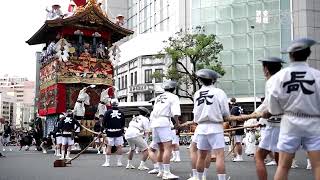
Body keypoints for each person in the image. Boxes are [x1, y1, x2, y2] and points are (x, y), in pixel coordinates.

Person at [265, 38, 320, 180]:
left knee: (283, 166)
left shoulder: (278, 77)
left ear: (290, 56)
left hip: (290, 122)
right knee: (318, 165)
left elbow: (274, 108)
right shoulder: (317, 76)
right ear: (309, 53)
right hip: (314, 122)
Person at [193, 69, 230, 180]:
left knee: (201, 156)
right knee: (219, 155)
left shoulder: (197, 93)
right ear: (214, 80)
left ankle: (199, 178)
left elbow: (195, 112)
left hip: (201, 127)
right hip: (215, 126)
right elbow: (225, 111)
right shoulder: (219, 92)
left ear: (201, 80)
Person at [254, 57, 285, 180]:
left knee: (259, 156)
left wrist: (263, 115)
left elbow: (270, 106)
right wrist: (256, 117)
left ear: (266, 69)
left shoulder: (271, 81)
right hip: (286, 124)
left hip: (275, 125)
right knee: (279, 158)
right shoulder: (284, 81)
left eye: (263, 68)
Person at [150, 80, 181, 179]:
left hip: (155, 123)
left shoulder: (158, 97)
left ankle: (161, 171)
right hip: (163, 122)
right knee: (168, 148)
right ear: (173, 89)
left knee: (161, 149)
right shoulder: (174, 97)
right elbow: (175, 112)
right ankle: (167, 173)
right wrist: (177, 123)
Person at [102, 98, 125, 167]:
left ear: (111, 104)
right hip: (119, 132)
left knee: (109, 147)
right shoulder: (121, 112)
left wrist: (104, 129)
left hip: (109, 132)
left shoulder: (107, 112)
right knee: (119, 147)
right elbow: (123, 123)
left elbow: (104, 122)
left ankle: (107, 162)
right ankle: (119, 162)